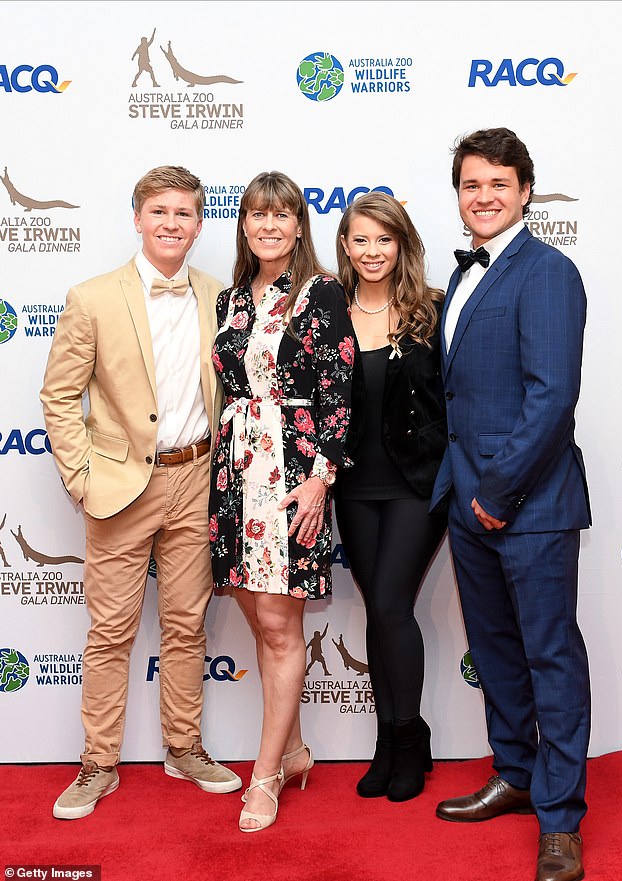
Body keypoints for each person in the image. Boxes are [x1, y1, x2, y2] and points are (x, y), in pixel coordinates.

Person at [40, 165, 241, 820]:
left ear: (199, 223)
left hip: (197, 480)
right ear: (137, 217)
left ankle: (184, 747)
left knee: (187, 624)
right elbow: (58, 395)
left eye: (184, 213)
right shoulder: (93, 297)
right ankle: (98, 760)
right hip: (121, 487)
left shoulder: (219, 295)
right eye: (159, 211)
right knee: (111, 630)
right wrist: (81, 475)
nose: (171, 223)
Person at [430, 128, 591, 881]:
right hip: (469, 505)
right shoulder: (461, 277)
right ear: (458, 194)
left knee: (550, 655)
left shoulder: (548, 272)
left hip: (531, 505)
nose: (484, 196)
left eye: (499, 183)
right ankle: (516, 772)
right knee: (495, 652)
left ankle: (560, 818)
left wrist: (497, 493)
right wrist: (467, 497)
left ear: (526, 190)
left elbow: (552, 398)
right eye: (471, 184)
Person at [209, 170, 355, 831]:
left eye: (282, 214)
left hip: (292, 473)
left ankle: (264, 775)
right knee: (257, 614)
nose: (269, 225)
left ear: (300, 224)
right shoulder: (232, 299)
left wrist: (322, 478)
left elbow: (337, 390)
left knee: (280, 624)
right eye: (257, 215)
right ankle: (294, 748)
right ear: (243, 225)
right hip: (236, 474)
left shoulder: (322, 292)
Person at [334, 192, 447, 802]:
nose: (373, 251)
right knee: (380, 611)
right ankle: (391, 738)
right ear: (345, 247)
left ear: (401, 245)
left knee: (391, 605)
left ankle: (406, 738)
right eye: (362, 240)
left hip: (416, 486)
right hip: (353, 487)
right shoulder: (330, 314)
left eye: (385, 239)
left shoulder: (432, 311)